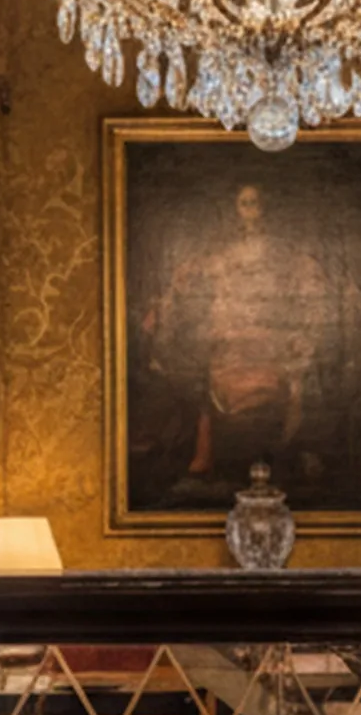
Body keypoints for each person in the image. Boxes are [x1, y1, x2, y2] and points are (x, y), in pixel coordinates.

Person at [142, 179, 338, 496]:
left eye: (255, 202)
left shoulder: (283, 253)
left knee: (295, 373)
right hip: (231, 337)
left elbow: (308, 283)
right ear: (236, 209)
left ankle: (293, 452)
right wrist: (164, 304)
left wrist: (296, 328)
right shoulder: (223, 253)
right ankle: (204, 456)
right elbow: (191, 276)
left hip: (270, 338)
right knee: (198, 365)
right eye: (244, 203)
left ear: (266, 207)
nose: (251, 210)